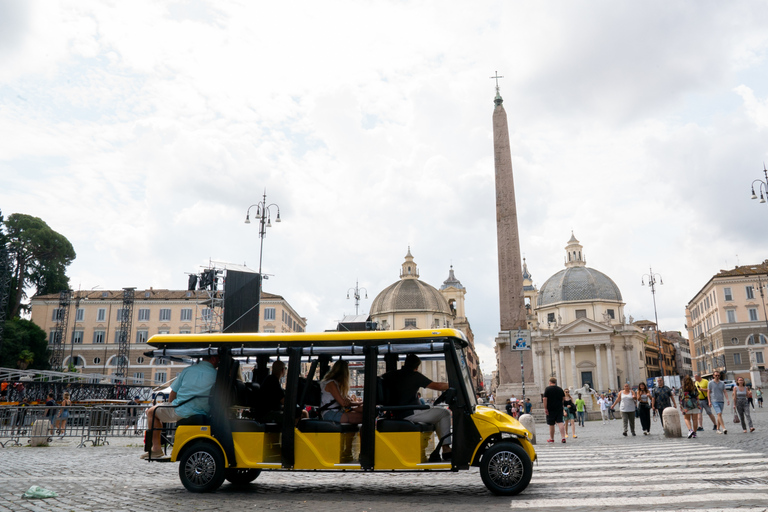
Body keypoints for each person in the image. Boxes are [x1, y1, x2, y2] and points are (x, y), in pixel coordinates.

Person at [142, 354, 219, 459]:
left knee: (151, 412)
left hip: (181, 410)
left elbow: (173, 392)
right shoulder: (217, 374)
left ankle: (156, 448)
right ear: (214, 359)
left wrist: (171, 405)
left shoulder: (188, 370)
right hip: (203, 411)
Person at [381, 354, 452, 459]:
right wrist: (455, 384)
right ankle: (446, 449)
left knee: (437, 415)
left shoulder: (390, 375)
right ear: (417, 367)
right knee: (444, 413)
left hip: (399, 412)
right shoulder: (414, 375)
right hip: (410, 413)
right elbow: (438, 386)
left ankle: (443, 447)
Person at [320, 360, 363, 424]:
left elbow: (346, 400)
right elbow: (343, 403)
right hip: (331, 413)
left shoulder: (336, 384)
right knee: (364, 417)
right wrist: (357, 404)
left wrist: (355, 403)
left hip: (336, 411)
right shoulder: (331, 383)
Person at [542, 377, 566, 443]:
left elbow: (544, 399)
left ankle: (552, 438)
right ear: (555, 382)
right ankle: (563, 437)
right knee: (560, 422)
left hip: (550, 408)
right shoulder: (560, 389)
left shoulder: (547, 389)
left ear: (550, 382)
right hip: (559, 407)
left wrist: (545, 408)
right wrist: (561, 403)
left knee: (551, 424)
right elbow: (564, 398)